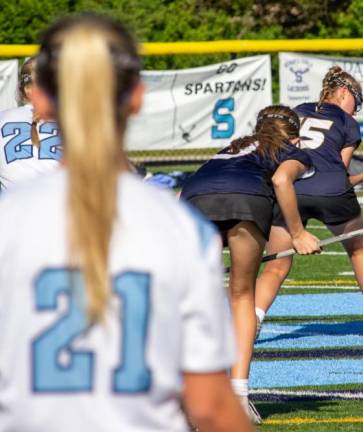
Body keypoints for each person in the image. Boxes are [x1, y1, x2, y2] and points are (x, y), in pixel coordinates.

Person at [0, 14, 252, 432]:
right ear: (136, 97)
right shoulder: (178, 227)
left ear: (40, 101)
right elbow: (208, 406)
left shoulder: (10, 223)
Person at [180, 105, 321, 424]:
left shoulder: (232, 146)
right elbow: (282, 180)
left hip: (193, 202)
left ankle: (192, 393)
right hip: (245, 200)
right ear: (296, 137)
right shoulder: (290, 150)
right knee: (242, 295)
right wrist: (298, 234)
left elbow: (192, 189)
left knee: (200, 297)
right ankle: (239, 395)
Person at [254, 66, 363, 341]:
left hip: (290, 189)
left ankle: (253, 321)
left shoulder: (296, 110)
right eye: (357, 102)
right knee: (358, 252)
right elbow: (339, 172)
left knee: (276, 264)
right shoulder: (347, 123)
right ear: (344, 93)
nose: (356, 110)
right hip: (331, 191)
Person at [0, 57, 62, 190]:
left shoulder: (3, 118)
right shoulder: (73, 121)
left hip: (13, 207)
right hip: (60, 206)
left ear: (23, 90)